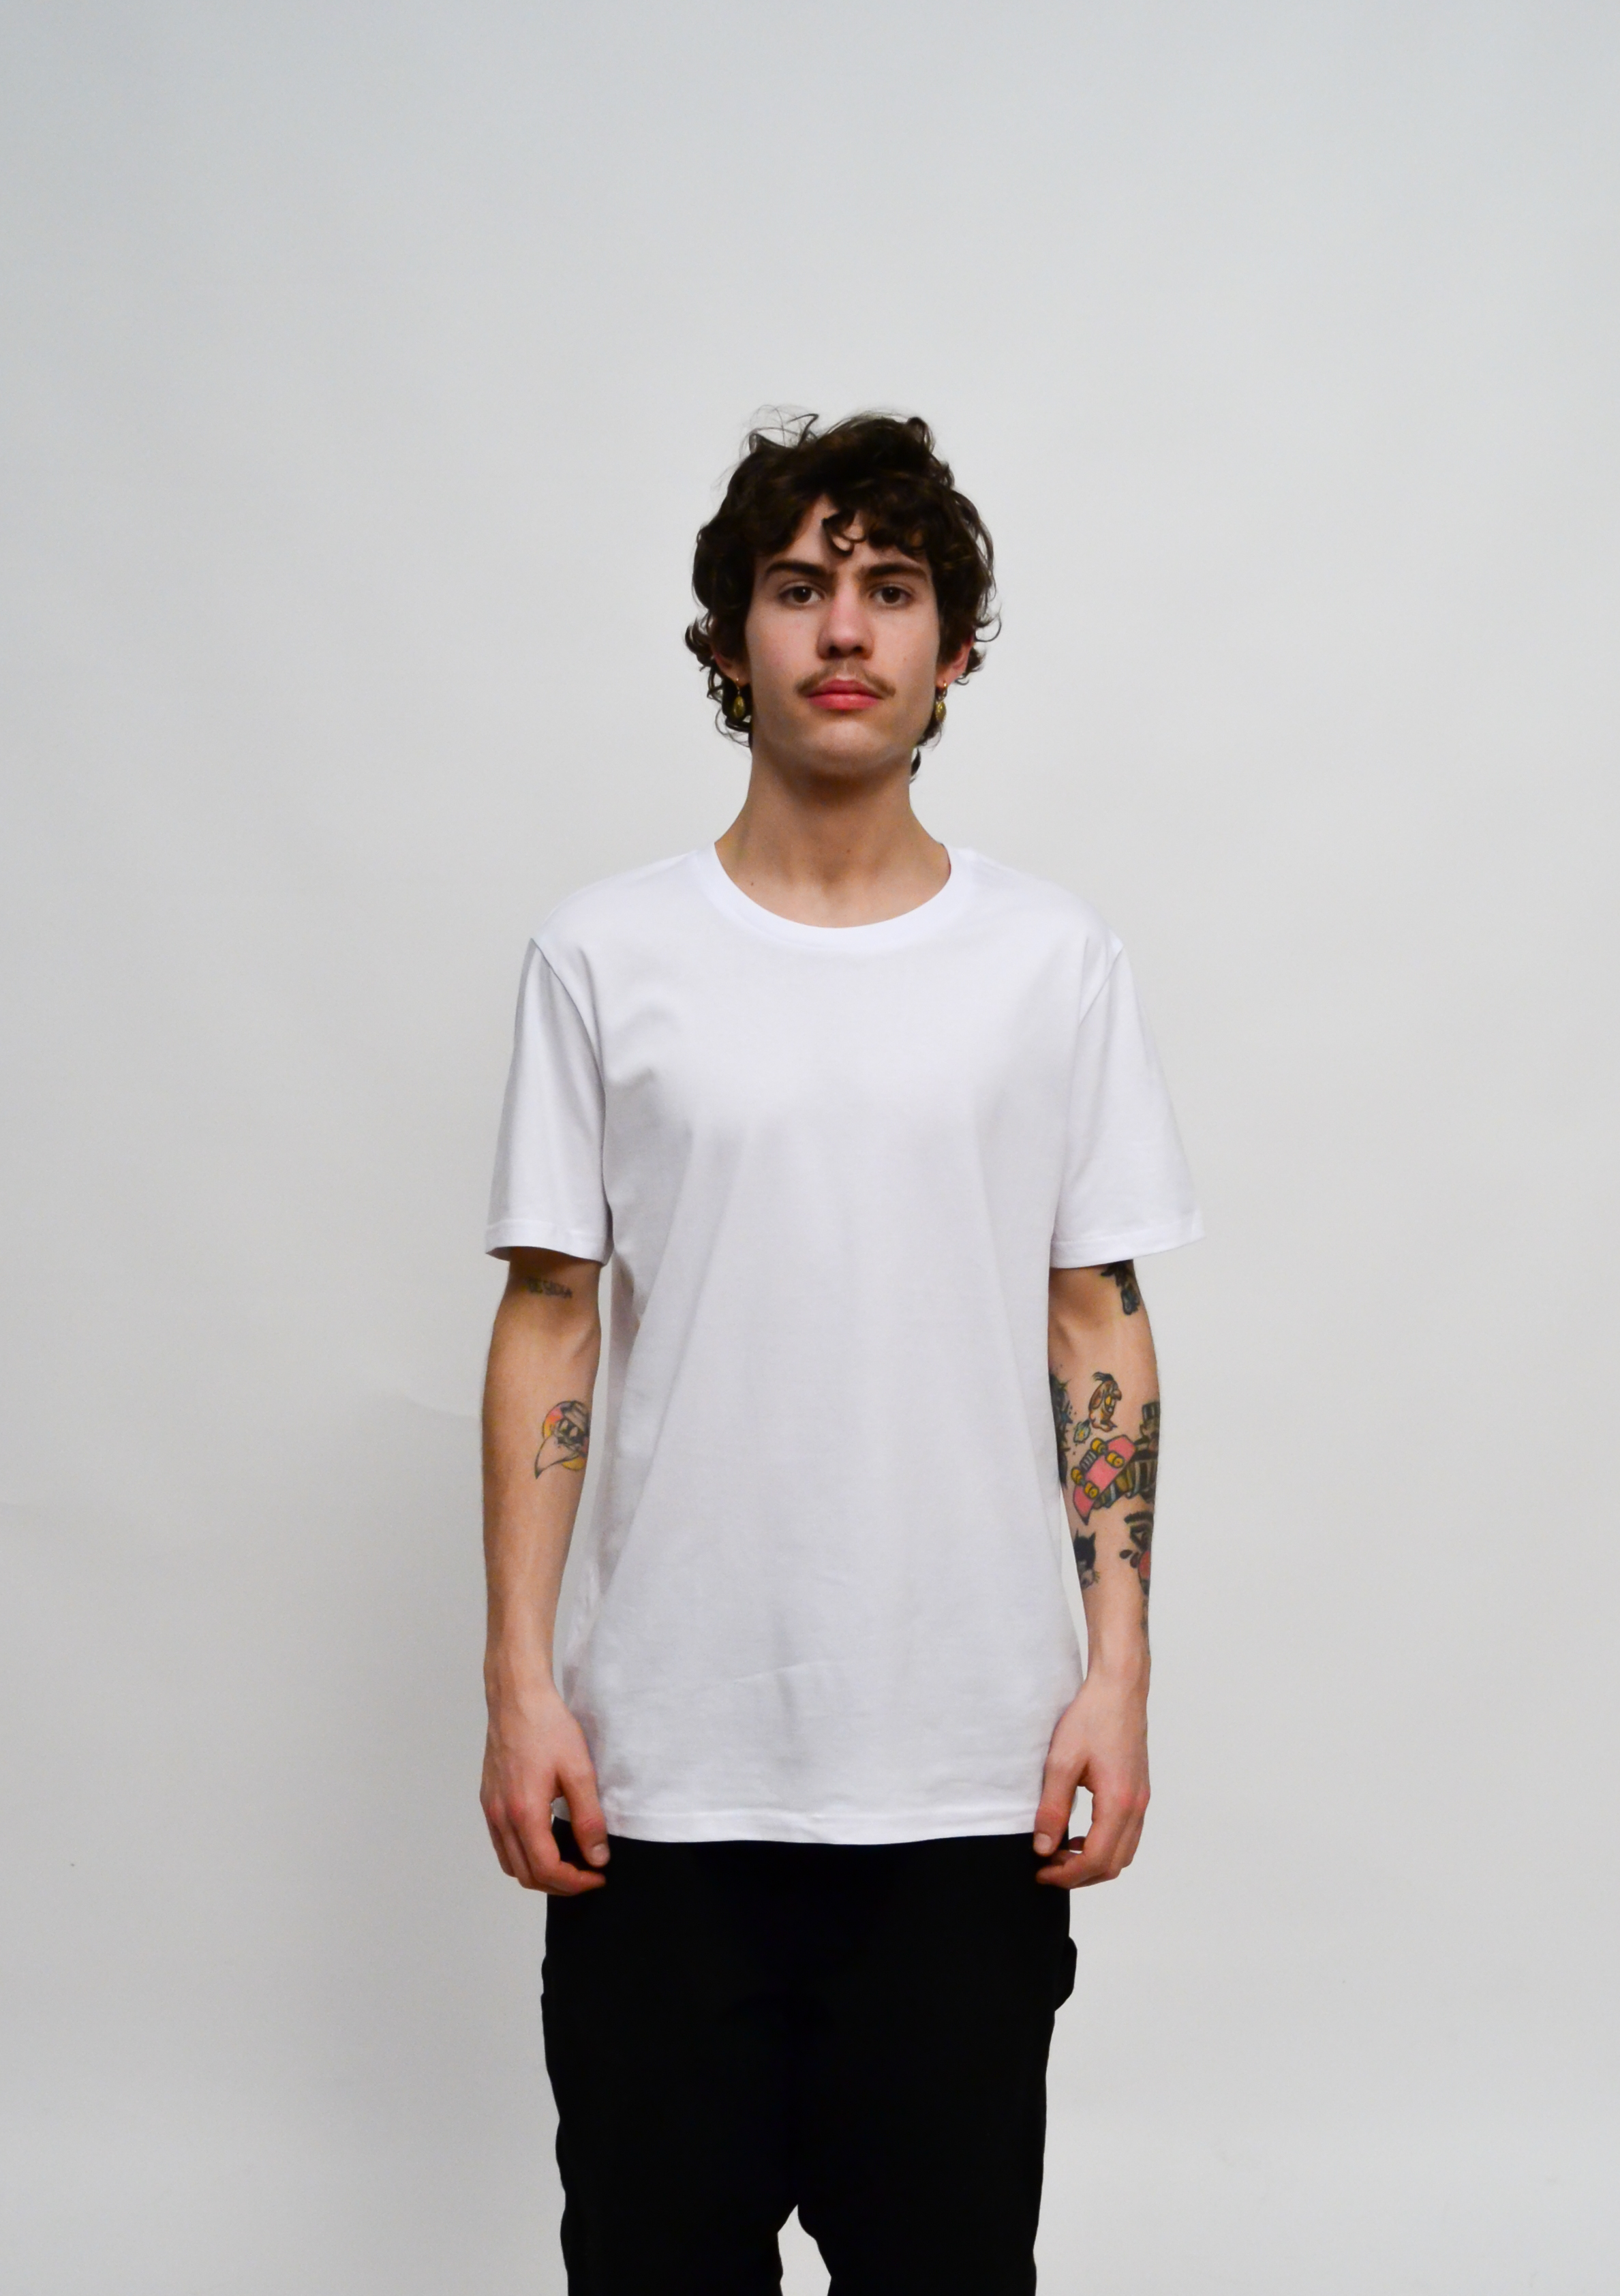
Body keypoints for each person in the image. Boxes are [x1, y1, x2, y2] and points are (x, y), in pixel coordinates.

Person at [479, 412, 1200, 2294]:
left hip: (964, 1772)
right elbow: (549, 1315)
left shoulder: (1052, 961)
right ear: (732, 639)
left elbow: (1098, 1321)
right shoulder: (603, 953)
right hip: (665, 1777)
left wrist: (1117, 1673)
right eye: (799, 588)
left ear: (954, 650)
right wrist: (520, 1686)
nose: (846, 629)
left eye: (891, 588)